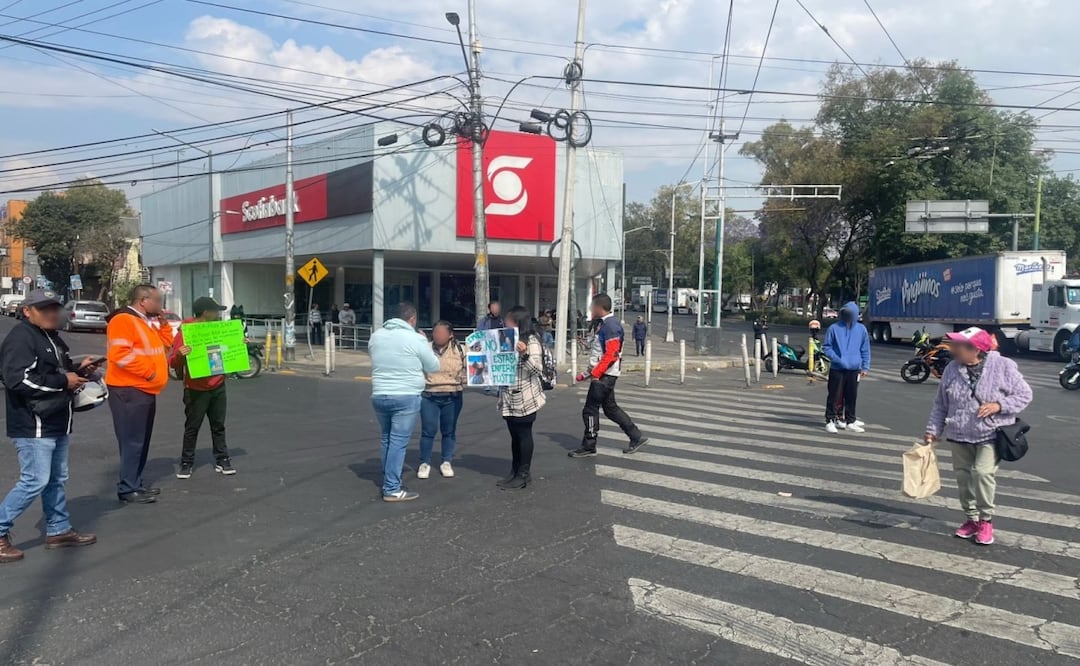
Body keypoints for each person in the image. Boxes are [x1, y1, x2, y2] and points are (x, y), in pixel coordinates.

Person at [0, 290, 100, 563]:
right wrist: (63, 382)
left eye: (55, 307)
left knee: (56, 479)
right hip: (34, 424)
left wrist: (80, 371)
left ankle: (58, 529)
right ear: (27, 311)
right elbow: (17, 380)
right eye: (44, 309)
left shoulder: (51, 337)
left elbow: (58, 373)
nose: (52, 313)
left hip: (56, 420)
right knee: (35, 480)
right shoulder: (21, 338)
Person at [924, 327, 1032, 546]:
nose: (953, 349)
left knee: (982, 473)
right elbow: (941, 404)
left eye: (958, 345)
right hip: (959, 432)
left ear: (975, 349)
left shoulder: (1003, 366)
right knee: (963, 478)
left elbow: (1024, 394)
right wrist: (933, 430)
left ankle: (986, 520)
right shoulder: (951, 369)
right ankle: (971, 519)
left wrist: (999, 405)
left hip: (990, 433)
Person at [106, 284, 174, 504]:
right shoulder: (124, 320)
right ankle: (128, 488)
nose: (160, 306)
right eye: (158, 301)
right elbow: (120, 355)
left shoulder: (143, 322)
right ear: (144, 300)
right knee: (132, 441)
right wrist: (150, 373)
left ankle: (135, 483)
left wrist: (164, 325)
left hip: (142, 389)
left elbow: (163, 347)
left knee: (141, 440)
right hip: (129, 389)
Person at [369, 302, 440, 502]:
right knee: (398, 442)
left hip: (379, 394)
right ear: (412, 319)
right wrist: (426, 343)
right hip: (406, 395)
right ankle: (392, 488)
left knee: (387, 438)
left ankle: (388, 476)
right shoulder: (415, 338)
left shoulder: (376, 336)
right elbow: (433, 365)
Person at [569, 294, 648, 458]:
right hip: (604, 374)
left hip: (605, 376)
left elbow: (611, 354)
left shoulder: (611, 325)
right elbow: (599, 352)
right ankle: (636, 436)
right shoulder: (603, 324)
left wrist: (596, 374)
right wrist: (586, 374)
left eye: (592, 306)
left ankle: (589, 445)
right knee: (611, 409)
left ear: (599, 307)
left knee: (590, 410)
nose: (590, 309)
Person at [169, 296, 236, 479]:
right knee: (192, 427)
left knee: (218, 425)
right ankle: (186, 462)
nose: (218, 314)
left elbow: (229, 351)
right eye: (215, 311)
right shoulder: (187, 331)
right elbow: (173, 361)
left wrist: (239, 344)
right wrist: (181, 356)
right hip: (195, 388)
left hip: (218, 385)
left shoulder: (218, 329)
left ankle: (222, 459)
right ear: (206, 312)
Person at [497, 306, 546, 490]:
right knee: (514, 436)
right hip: (508, 395)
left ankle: (524, 474)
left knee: (524, 434)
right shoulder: (505, 339)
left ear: (517, 322)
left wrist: (524, 354)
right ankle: (515, 470)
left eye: (508, 320)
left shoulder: (531, 341)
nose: (504, 323)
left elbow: (536, 369)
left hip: (525, 396)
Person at [418, 321, 466, 480]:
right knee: (428, 431)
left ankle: (446, 461)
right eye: (435, 332)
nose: (437, 335)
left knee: (449, 431)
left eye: (441, 332)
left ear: (450, 334)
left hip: (453, 396)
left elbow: (472, 369)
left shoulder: (461, 349)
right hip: (429, 395)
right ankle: (424, 462)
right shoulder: (425, 348)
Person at [823, 302, 870, 434]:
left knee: (851, 396)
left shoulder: (861, 329)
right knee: (834, 395)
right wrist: (837, 359)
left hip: (854, 368)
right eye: (846, 314)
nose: (848, 316)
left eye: (851, 314)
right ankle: (830, 420)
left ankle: (850, 420)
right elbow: (827, 346)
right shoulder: (834, 328)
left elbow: (865, 349)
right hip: (837, 368)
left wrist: (865, 366)